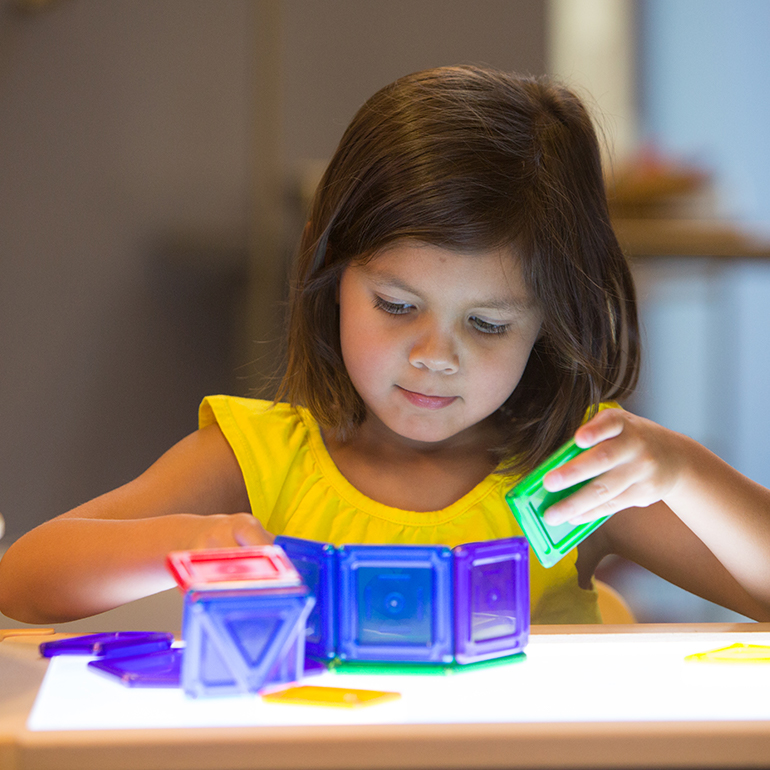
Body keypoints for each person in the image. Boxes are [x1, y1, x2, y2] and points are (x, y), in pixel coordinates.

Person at [1, 65, 769, 626]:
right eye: (398, 305)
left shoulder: (569, 484)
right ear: (325, 269)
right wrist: (195, 545)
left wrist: (683, 469)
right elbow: (23, 580)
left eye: (490, 324)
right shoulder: (259, 461)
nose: (437, 354)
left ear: (549, 320)